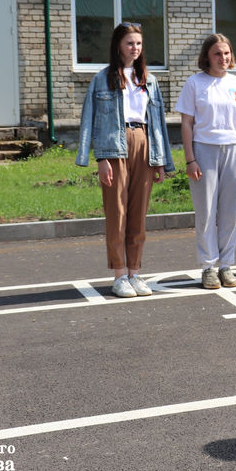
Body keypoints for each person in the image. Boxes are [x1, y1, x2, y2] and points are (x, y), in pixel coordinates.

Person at [76, 22, 175, 298]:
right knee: (117, 213)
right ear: (118, 45)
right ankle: (119, 274)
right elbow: (90, 119)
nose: (135, 48)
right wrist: (100, 158)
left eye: (139, 43)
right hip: (114, 148)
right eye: (130, 43)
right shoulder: (102, 79)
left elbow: (158, 123)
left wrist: (160, 160)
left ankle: (135, 272)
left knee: (138, 213)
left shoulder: (149, 80)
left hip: (143, 141)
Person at [176, 33, 236, 290]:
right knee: (206, 212)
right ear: (207, 57)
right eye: (217, 54)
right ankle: (208, 266)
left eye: (226, 53)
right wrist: (190, 159)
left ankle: (226, 265)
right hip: (204, 150)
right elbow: (186, 123)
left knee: (231, 212)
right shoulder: (194, 83)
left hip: (233, 150)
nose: (223, 58)